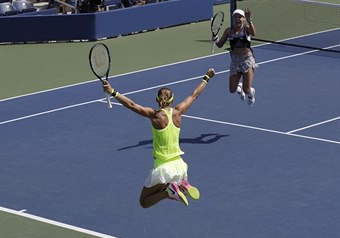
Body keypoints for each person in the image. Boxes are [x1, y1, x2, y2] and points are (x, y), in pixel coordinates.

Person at [103, 68, 215, 208]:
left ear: (157, 100)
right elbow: (194, 94)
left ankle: (170, 192)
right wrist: (207, 77)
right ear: (172, 99)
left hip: (164, 168)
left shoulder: (155, 115)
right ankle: (183, 184)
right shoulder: (178, 111)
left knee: (144, 202)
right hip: (180, 166)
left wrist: (113, 92)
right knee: (165, 185)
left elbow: (131, 105)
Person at [213, 8, 257, 106]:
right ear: (233, 19)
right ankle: (240, 87)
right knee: (232, 90)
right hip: (235, 61)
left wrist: (250, 21)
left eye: (240, 17)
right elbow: (220, 44)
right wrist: (216, 40)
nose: (238, 19)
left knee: (247, 89)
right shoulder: (229, 31)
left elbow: (253, 33)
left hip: (247, 60)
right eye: (235, 17)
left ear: (244, 19)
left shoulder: (246, 28)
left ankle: (251, 94)